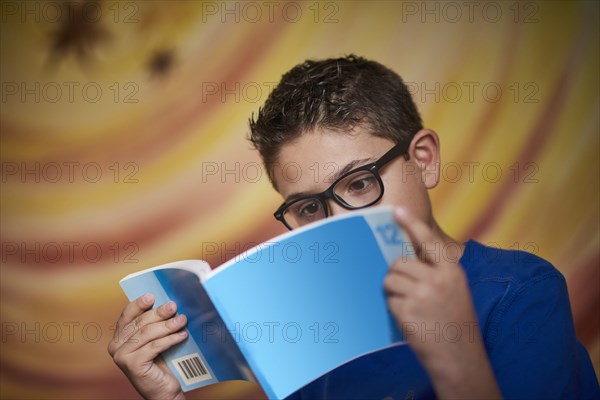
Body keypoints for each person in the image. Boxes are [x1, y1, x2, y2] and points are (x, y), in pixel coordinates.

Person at [108, 55, 600, 399]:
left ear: (423, 160)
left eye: (361, 183)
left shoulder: (521, 293)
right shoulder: (308, 342)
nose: (340, 221)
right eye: (309, 208)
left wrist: (455, 353)